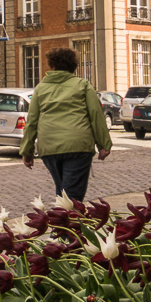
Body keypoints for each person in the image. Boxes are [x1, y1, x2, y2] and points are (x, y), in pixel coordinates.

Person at [20, 47, 111, 201]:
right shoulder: (83, 85)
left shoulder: (40, 88)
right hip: (78, 145)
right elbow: (96, 115)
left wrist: (27, 150)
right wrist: (104, 144)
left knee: (63, 192)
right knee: (72, 197)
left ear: (52, 65)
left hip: (49, 147)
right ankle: (68, 222)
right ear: (74, 66)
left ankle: (63, 221)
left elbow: (32, 122)